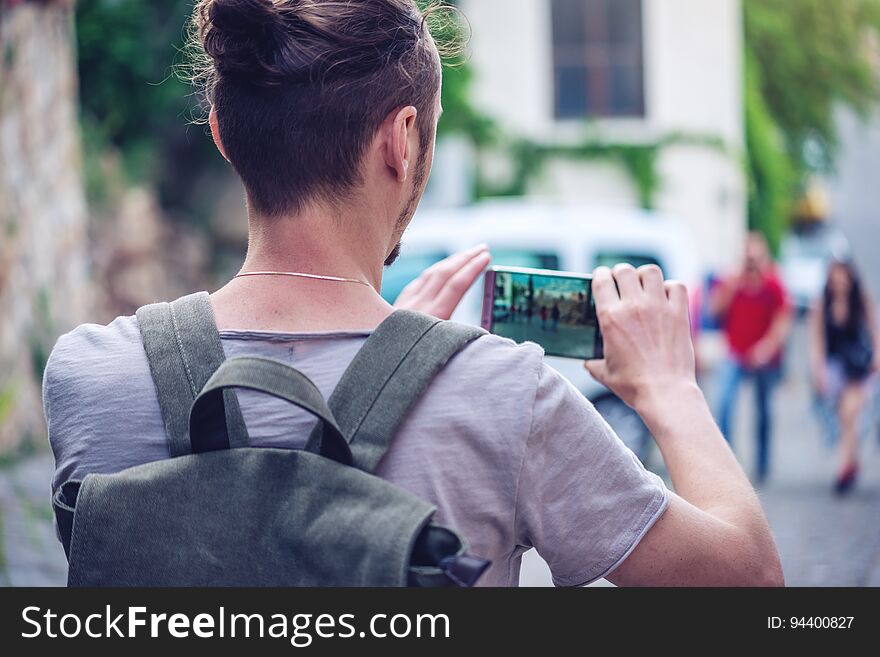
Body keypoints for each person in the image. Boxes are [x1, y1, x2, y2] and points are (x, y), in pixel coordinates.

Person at [42, 0, 782, 586]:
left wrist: (398, 365)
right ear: (401, 141)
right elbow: (749, 587)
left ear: (224, 135)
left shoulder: (88, 377)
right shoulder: (506, 398)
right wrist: (670, 386)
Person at [710, 232, 793, 482]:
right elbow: (714, 310)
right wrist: (734, 285)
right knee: (723, 403)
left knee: (764, 410)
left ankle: (763, 463)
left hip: (763, 357)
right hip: (736, 352)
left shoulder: (773, 283)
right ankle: (727, 461)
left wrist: (768, 346)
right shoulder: (732, 281)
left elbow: (783, 318)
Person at [808, 260, 879, 493]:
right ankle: (851, 462)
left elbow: (874, 330)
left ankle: (845, 466)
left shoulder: (861, 300)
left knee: (850, 413)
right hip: (836, 369)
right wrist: (818, 371)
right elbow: (817, 341)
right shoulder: (821, 304)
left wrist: (877, 356)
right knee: (844, 418)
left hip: (859, 366)